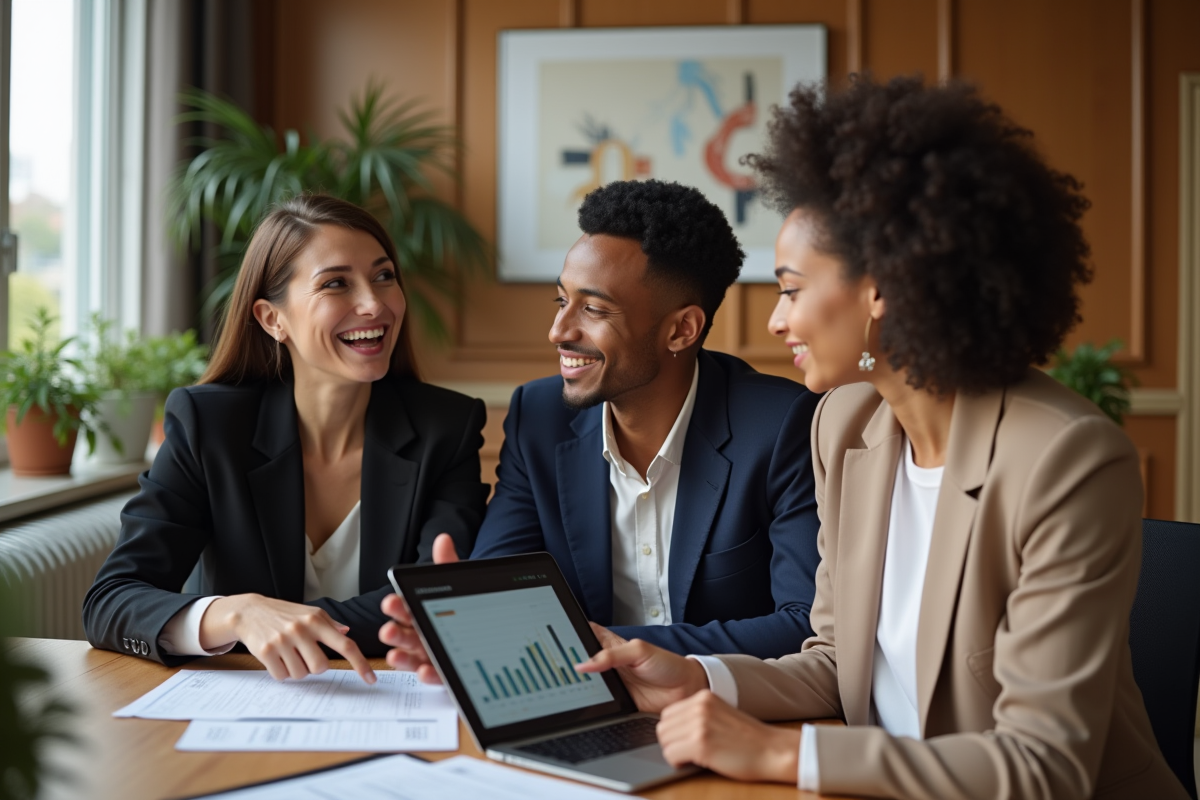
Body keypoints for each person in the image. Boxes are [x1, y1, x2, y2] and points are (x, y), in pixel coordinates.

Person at [561, 77, 1187, 799]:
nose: (776, 322)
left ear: (882, 288)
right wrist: (698, 676)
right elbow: (835, 662)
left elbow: (1042, 766)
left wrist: (781, 756)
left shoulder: (1064, 458)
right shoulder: (846, 425)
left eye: (792, 289)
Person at [382, 179, 822, 666]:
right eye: (561, 301)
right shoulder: (538, 419)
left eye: (593, 309)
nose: (559, 331)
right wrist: (468, 625)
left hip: (728, 711)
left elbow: (803, 624)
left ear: (681, 329)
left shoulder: (781, 426)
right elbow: (500, 599)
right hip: (582, 701)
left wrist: (599, 647)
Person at [83, 195, 489, 684]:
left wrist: (296, 623)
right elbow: (112, 600)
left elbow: (433, 602)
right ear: (273, 319)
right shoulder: (209, 425)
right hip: (243, 705)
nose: (374, 303)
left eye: (383, 276)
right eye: (336, 283)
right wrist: (237, 615)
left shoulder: (446, 427)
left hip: (385, 694)